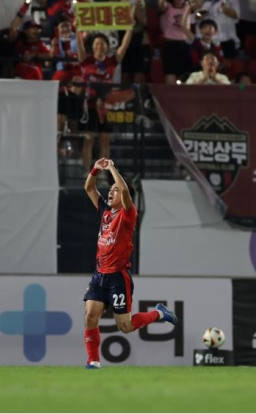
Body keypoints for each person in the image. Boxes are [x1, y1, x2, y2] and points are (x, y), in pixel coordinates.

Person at [82, 158, 178, 369]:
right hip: (100, 274)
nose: (111, 192)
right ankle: (93, 361)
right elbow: (89, 187)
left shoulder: (128, 214)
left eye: (114, 190)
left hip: (118, 276)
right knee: (90, 316)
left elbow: (125, 192)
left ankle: (160, 313)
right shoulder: (105, 211)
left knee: (124, 326)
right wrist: (96, 169)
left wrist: (113, 169)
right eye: (111, 190)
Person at [76, 26, 133, 177]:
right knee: (88, 140)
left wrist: (129, 29)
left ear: (107, 46)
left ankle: (100, 176)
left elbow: (124, 47)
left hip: (106, 107)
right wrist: (77, 30)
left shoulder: (111, 62)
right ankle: (85, 173)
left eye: (102, 44)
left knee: (104, 140)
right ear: (93, 47)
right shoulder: (86, 60)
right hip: (89, 106)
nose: (99, 47)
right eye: (96, 44)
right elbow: (80, 47)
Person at [159, 0, 192, 84]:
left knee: (186, 75)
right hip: (170, 45)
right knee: (170, 73)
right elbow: (160, 4)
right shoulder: (167, 7)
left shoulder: (188, 6)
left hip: (185, 45)